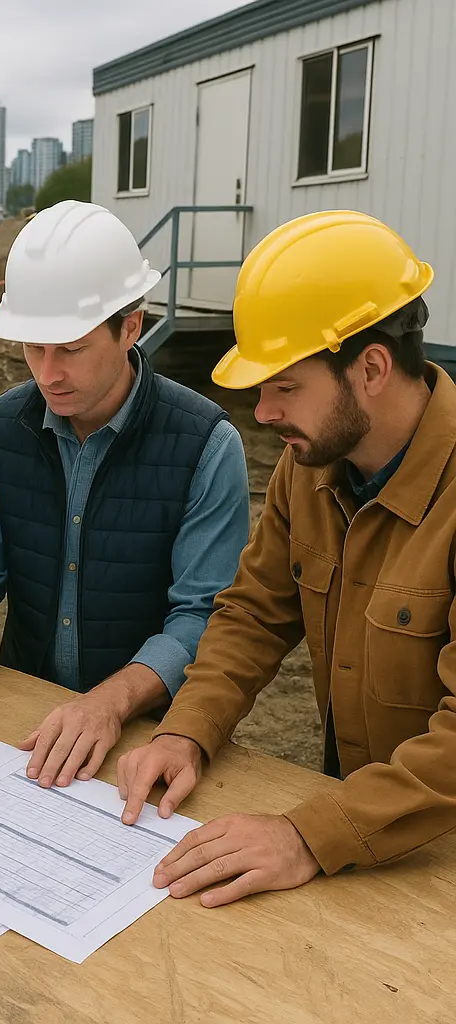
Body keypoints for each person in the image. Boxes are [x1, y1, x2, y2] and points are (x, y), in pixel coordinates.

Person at [116, 210, 453, 909]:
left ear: (371, 367)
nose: (260, 412)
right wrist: (187, 729)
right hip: (361, 844)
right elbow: (254, 614)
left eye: (285, 386)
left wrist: (308, 835)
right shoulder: (314, 465)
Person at [0, 200, 251, 788]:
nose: (47, 373)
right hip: (23, 710)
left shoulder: (206, 445)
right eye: (33, 348)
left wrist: (110, 702)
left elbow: (202, 616)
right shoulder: (2, 425)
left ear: (131, 327)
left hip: (150, 729)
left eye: (69, 349)